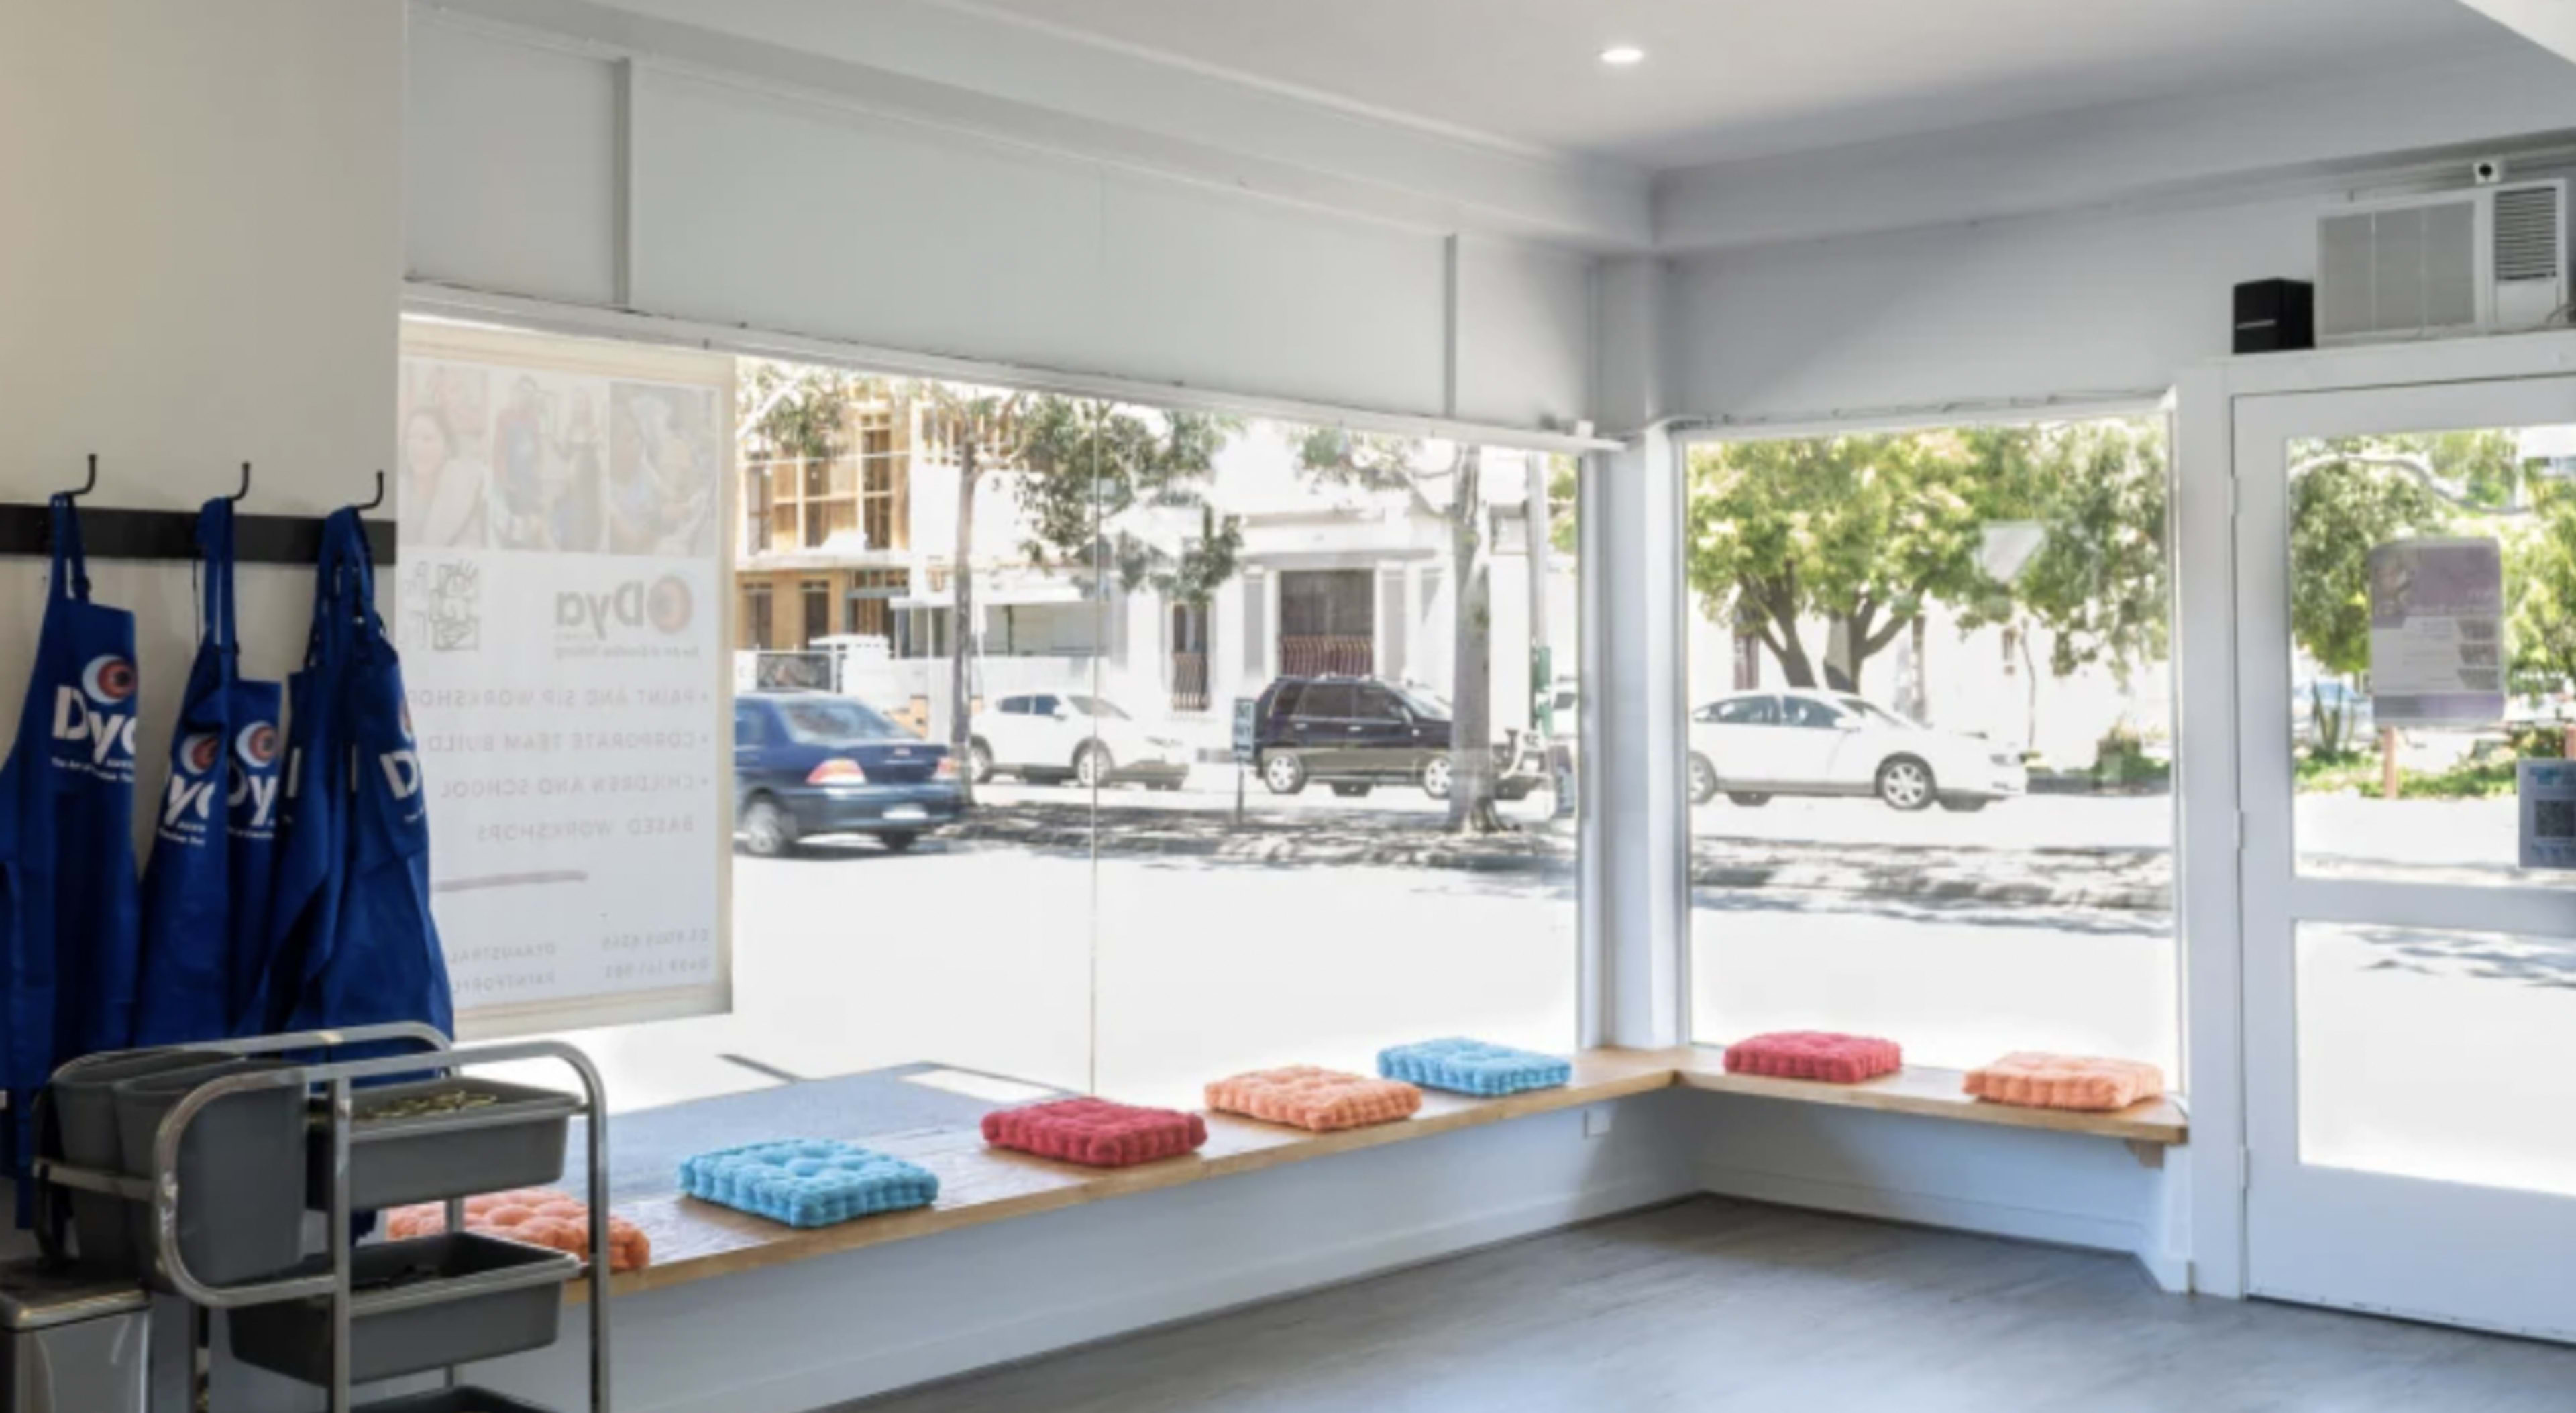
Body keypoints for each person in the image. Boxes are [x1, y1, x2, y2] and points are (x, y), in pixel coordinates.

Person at [398, 405, 488, 549]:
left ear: (447, 447)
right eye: (411, 438)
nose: (417, 447)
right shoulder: (396, 490)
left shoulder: (466, 496)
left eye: (428, 439)